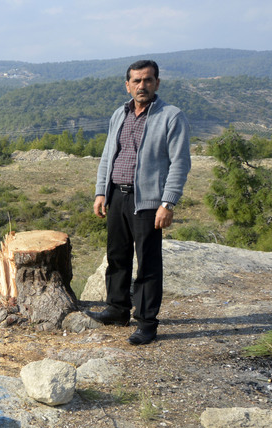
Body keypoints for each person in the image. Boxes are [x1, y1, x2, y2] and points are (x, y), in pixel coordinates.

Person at [91, 60, 191, 345]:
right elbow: (108, 156)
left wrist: (167, 203)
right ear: (128, 85)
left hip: (147, 201)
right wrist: (101, 192)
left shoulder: (171, 116)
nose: (142, 85)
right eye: (136, 81)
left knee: (147, 263)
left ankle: (146, 323)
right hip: (116, 195)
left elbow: (180, 163)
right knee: (117, 256)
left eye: (148, 80)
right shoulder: (119, 114)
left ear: (157, 83)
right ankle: (117, 309)